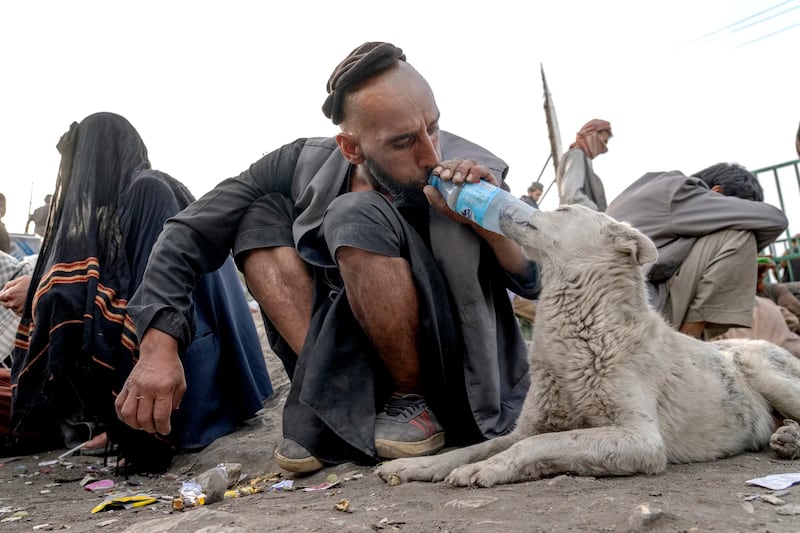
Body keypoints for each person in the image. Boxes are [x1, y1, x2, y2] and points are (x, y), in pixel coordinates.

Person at [119, 42, 539, 474]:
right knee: (258, 216)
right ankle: (338, 401)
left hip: (456, 374)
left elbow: (537, 278)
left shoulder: (471, 173)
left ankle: (408, 403)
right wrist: (157, 345)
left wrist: (487, 223)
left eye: (432, 127)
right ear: (351, 148)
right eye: (403, 142)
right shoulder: (304, 161)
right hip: (350, 360)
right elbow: (189, 230)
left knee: (356, 213)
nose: (431, 155)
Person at [8, 113, 272, 472]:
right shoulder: (126, 197)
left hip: (189, 345)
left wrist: (42, 290)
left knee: (72, 315)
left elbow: (157, 293)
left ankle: (147, 427)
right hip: (184, 333)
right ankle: (117, 425)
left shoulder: (148, 189)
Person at [606, 162, 787, 340]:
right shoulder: (683, 193)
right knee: (740, 237)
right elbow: (776, 219)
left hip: (612, 306)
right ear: (716, 194)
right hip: (629, 313)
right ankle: (686, 346)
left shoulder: (657, 188)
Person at [556, 119, 612, 211]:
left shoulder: (584, 160)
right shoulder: (577, 154)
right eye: (604, 141)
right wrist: (599, 215)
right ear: (592, 134)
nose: (604, 148)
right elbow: (572, 195)